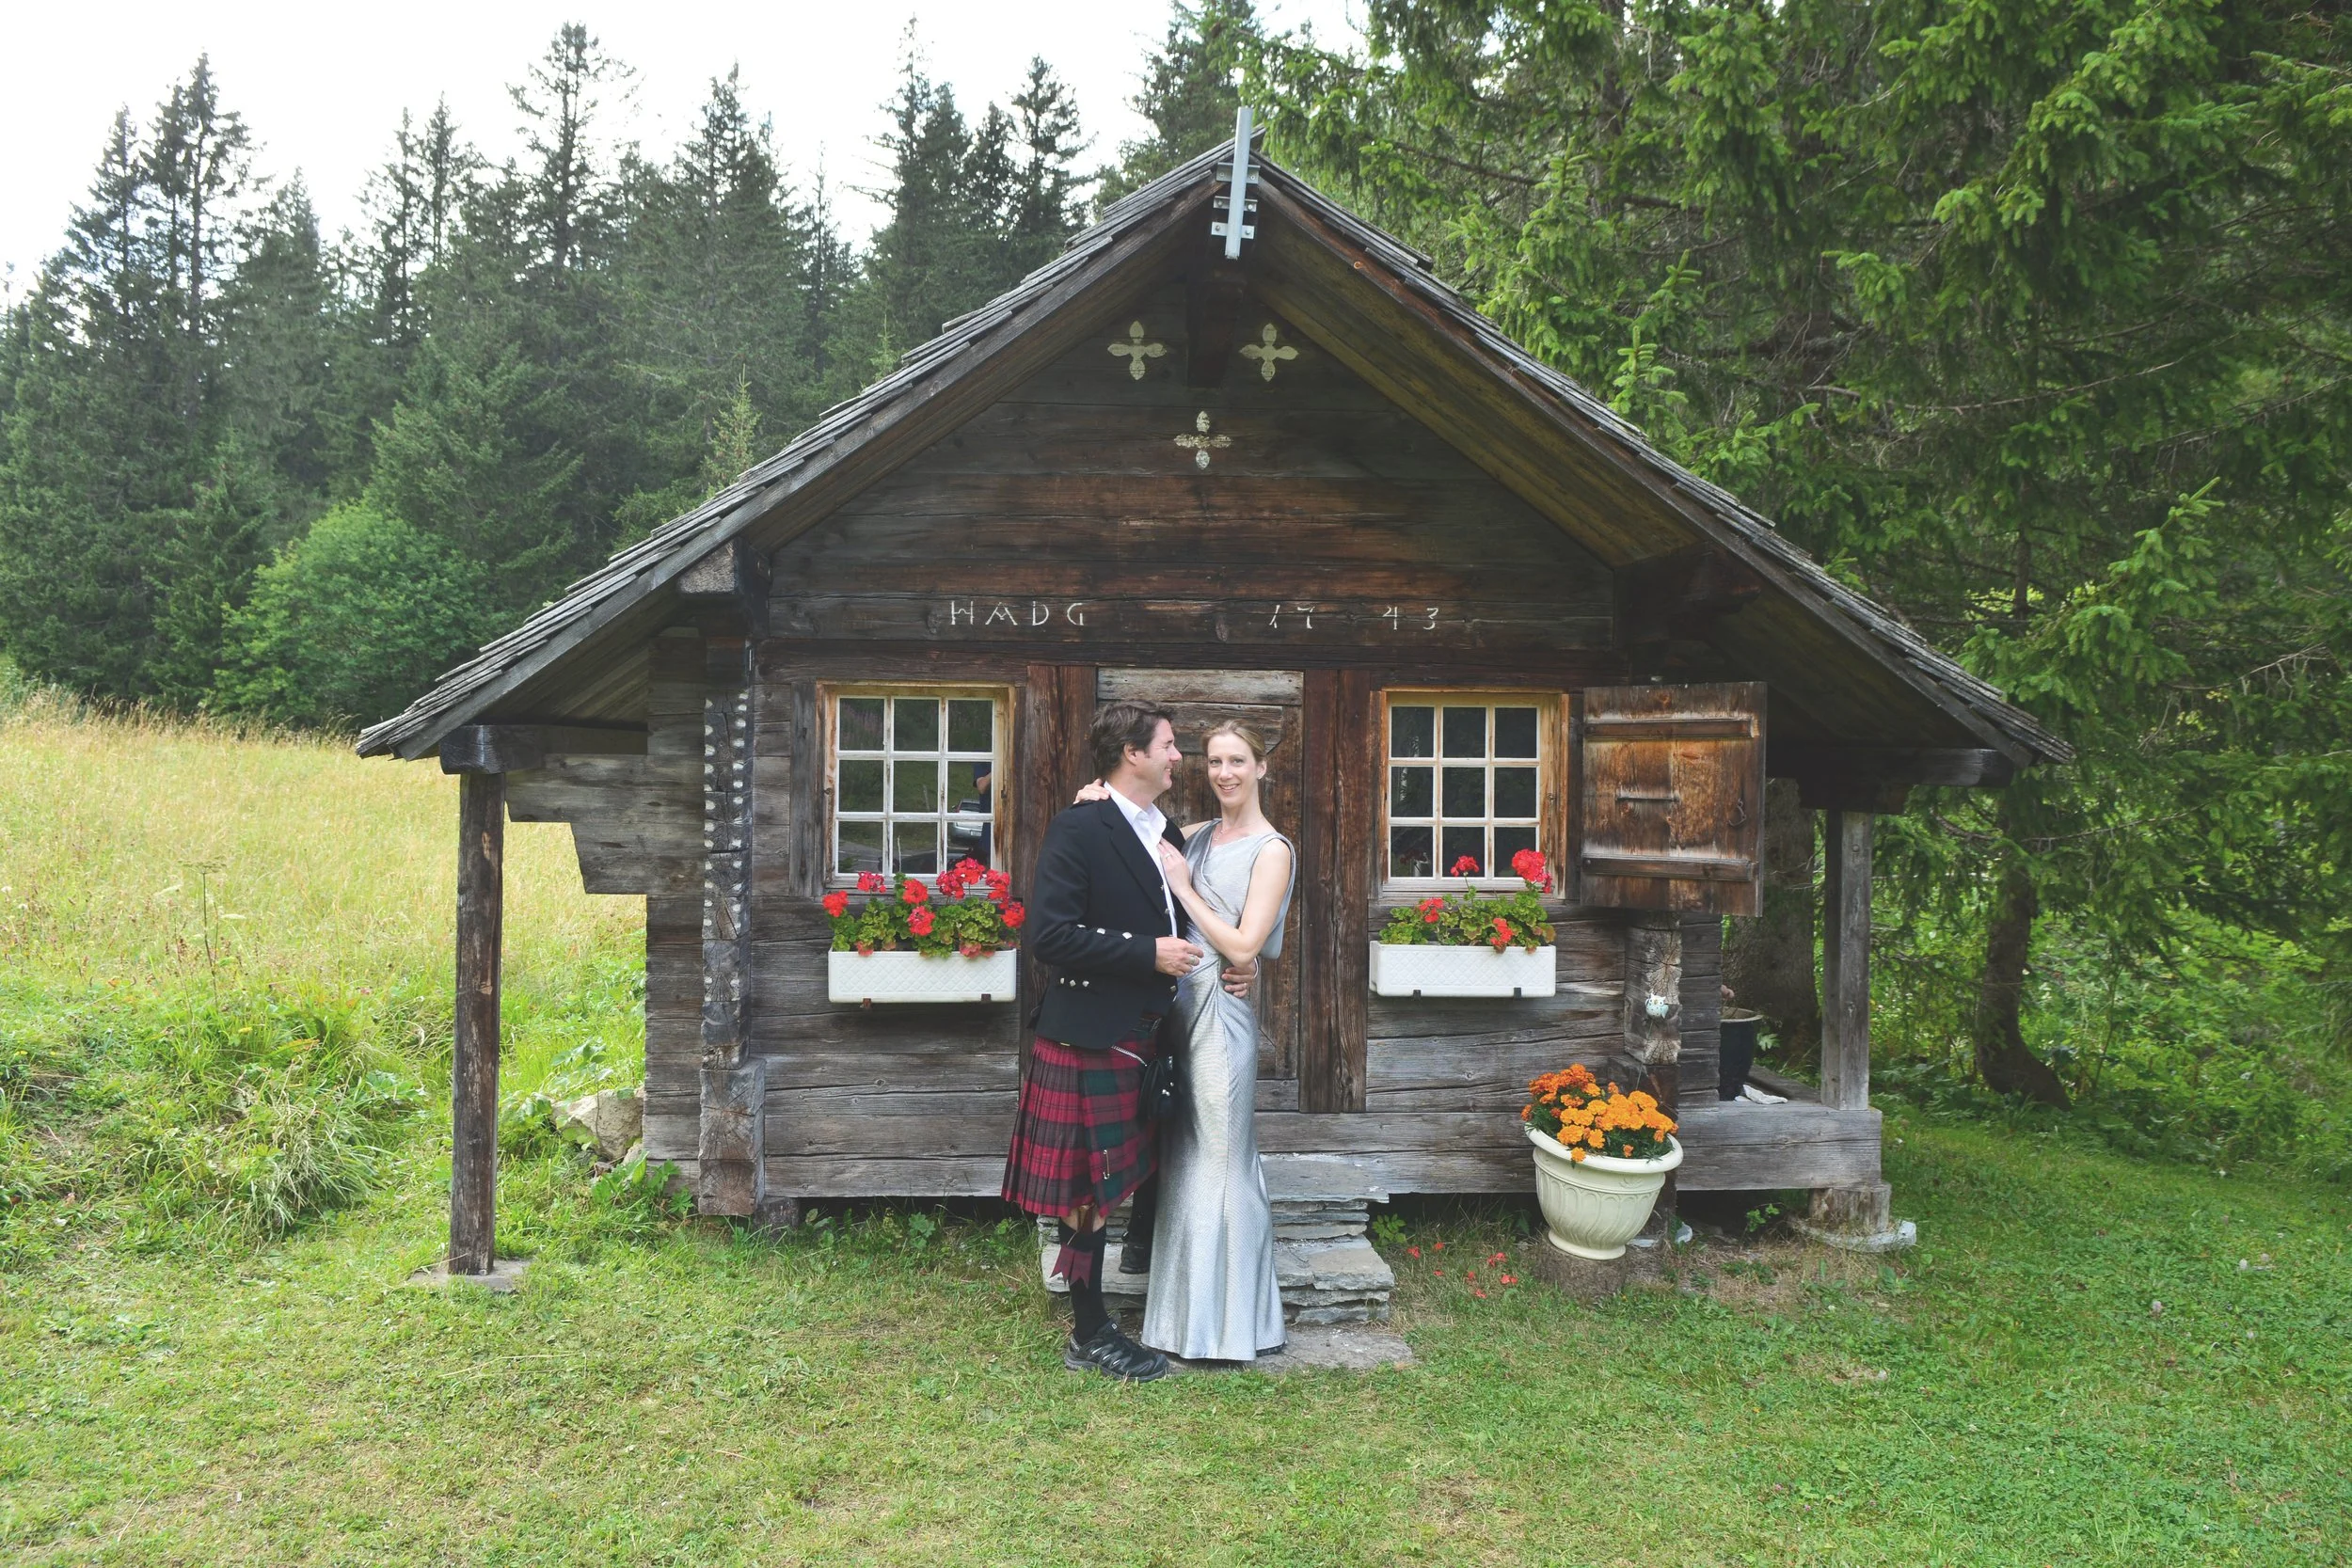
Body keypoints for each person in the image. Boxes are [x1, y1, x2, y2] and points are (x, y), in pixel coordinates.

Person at [1077, 720, 1294, 1363]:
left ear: (1261, 767)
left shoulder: (1272, 849)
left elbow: (1246, 946)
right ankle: (1180, 1322)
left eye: (1237, 761)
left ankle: (1229, 1328)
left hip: (1220, 1023)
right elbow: (1130, 825)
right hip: (1174, 1018)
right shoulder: (1194, 835)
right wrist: (1096, 797)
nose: (1224, 772)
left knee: (1221, 1162)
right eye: (1214, 761)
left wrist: (1184, 889)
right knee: (1184, 1162)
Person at [998, 699, 1201, 1382]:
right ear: (1132, 754)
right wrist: (1148, 953)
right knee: (1084, 1192)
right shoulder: (1079, 828)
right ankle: (1089, 1330)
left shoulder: (1163, 830)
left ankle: (1135, 1267)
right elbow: (1050, 935)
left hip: (1145, 1033)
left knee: (1130, 1173)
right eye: (1168, 745)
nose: (1177, 756)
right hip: (1088, 1036)